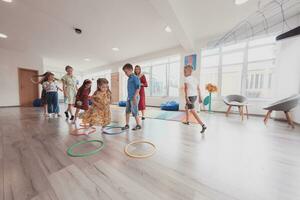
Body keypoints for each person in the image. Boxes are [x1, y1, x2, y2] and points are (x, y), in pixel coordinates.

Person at [183, 65, 207, 133]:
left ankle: (203, 125)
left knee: (192, 111)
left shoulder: (186, 78)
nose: (184, 71)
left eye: (185, 70)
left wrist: (186, 97)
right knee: (186, 107)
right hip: (195, 96)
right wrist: (199, 97)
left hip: (190, 96)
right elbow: (198, 89)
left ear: (189, 70)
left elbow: (186, 89)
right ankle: (187, 121)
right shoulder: (195, 79)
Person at [122, 63, 141, 131]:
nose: (125, 73)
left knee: (134, 111)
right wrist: (129, 97)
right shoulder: (129, 79)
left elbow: (138, 87)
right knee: (127, 111)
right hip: (129, 97)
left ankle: (138, 125)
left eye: (126, 72)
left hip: (134, 97)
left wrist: (135, 97)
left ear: (130, 70)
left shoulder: (135, 77)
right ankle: (127, 125)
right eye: (124, 72)